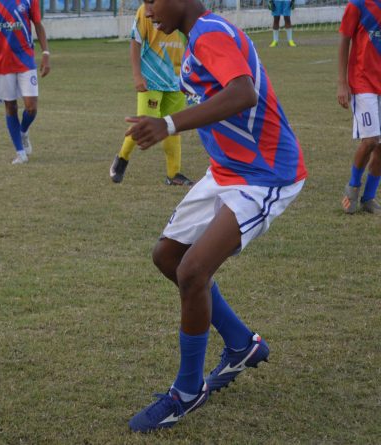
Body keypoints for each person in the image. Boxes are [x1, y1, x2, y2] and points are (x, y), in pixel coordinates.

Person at [123, 0, 306, 432]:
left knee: (192, 272)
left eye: (151, 0)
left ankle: (187, 392)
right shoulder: (196, 39)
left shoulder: (211, 32)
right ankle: (242, 344)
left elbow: (244, 92)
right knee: (167, 257)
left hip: (264, 175)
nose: (146, 12)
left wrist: (168, 124)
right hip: (226, 171)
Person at [109, 3, 193, 186]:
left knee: (174, 126)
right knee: (144, 124)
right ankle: (122, 158)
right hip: (151, 79)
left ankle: (173, 174)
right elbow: (135, 42)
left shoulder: (181, 9)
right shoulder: (145, 10)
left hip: (177, 80)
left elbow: (190, 43)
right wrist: (137, 75)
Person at [0, 0, 50, 165]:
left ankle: (23, 132)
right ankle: (20, 153)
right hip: (2, 64)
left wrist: (45, 52)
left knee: (31, 107)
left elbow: (38, 24)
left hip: (25, 61)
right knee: (10, 107)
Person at [337, 0, 381, 214]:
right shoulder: (357, 4)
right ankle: (352, 188)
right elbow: (345, 40)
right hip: (363, 82)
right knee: (371, 140)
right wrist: (341, 83)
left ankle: (369, 198)